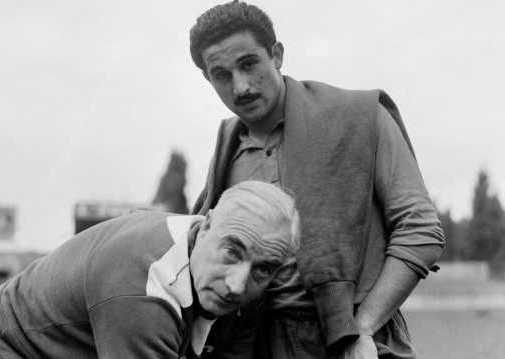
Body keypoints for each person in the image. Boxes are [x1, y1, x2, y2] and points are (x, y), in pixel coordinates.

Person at [189, 2, 445, 358]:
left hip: (355, 336)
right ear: (208, 78)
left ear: (276, 55)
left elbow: (420, 230)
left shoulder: (361, 117)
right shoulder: (225, 153)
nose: (241, 86)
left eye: (249, 64)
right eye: (221, 74)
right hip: (253, 343)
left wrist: (364, 328)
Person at [0, 181, 301, 359]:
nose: (238, 285)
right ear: (207, 225)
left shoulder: (250, 289)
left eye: (264, 269)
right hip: (13, 346)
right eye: (231, 251)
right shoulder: (142, 287)